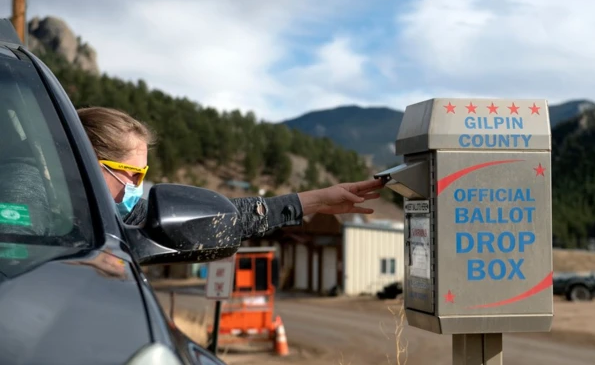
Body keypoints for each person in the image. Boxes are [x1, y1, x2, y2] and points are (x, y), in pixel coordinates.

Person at [77, 107, 384, 239]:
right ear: (87, 161)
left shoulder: (121, 215)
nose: (137, 186)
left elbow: (224, 217)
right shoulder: (37, 212)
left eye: (142, 175)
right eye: (132, 174)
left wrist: (314, 200)